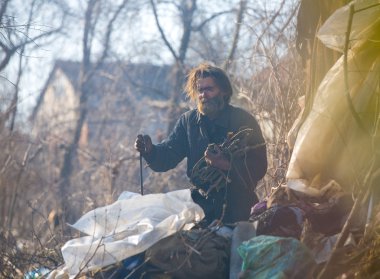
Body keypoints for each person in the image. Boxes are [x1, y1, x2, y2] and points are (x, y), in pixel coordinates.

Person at [135, 63, 267, 226]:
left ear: (224, 91)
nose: (203, 95)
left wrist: (225, 164)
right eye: (200, 90)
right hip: (201, 205)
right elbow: (169, 154)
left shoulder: (243, 120)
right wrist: (150, 151)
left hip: (239, 206)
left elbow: (259, 166)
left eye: (209, 89)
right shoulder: (188, 121)